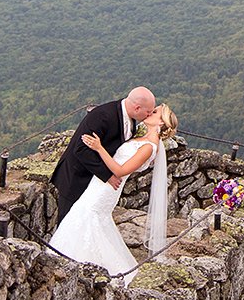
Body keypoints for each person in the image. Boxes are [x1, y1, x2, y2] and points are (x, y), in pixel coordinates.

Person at [48, 103, 178, 281]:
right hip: (99, 184)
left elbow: (120, 171)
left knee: (87, 216)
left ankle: (82, 266)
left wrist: (99, 147)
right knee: (86, 218)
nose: (149, 112)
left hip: (107, 188)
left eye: (154, 112)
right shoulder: (142, 138)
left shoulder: (149, 147)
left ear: (161, 123)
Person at [50, 87, 155, 224]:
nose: (150, 115)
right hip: (76, 178)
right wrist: (108, 175)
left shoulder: (132, 121)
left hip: (94, 182)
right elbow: (81, 149)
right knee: (68, 224)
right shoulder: (102, 115)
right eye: (148, 112)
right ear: (137, 108)